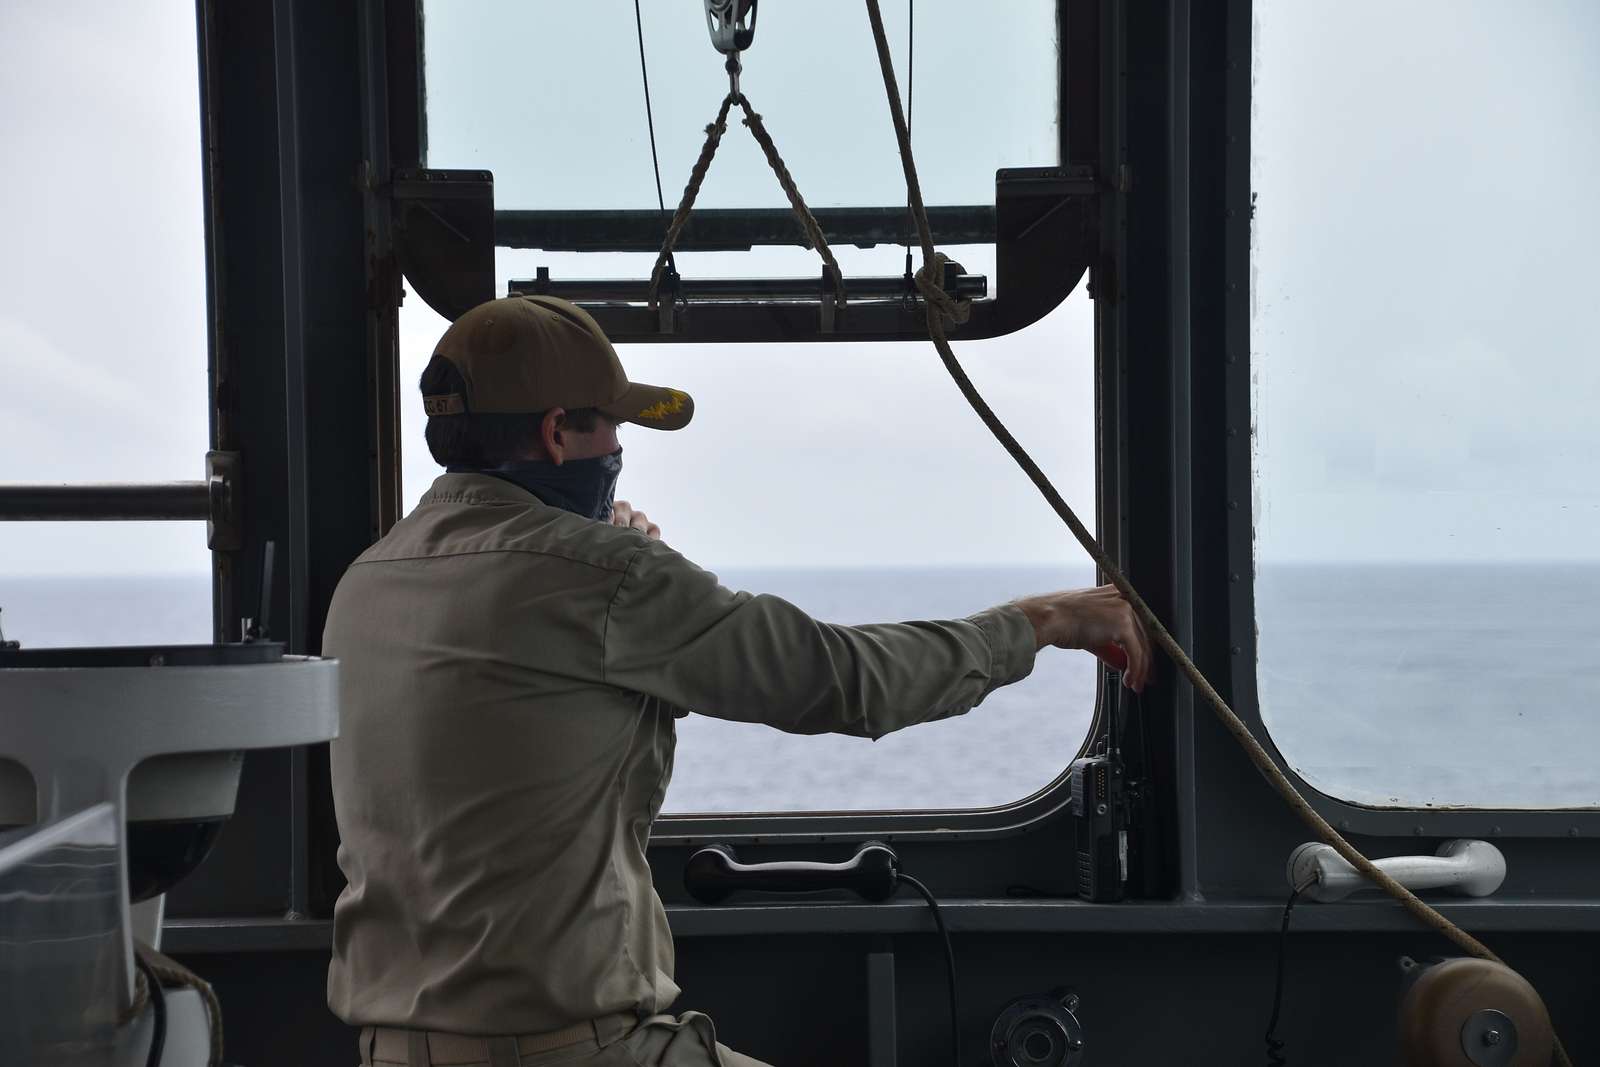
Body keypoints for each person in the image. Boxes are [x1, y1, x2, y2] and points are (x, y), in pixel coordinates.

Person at [322, 295, 1152, 1067]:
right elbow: (847, 681)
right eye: (611, 427)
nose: (617, 450)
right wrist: (1043, 622)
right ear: (555, 435)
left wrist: (613, 563)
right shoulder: (604, 575)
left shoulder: (368, 581)